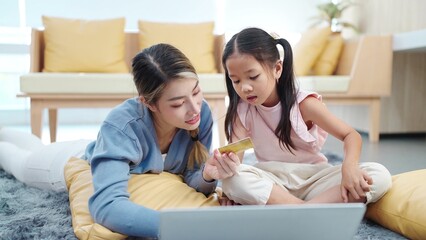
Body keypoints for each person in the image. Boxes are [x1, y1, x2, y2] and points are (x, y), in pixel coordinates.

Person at [0, 43, 240, 238]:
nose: (194, 108)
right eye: (177, 103)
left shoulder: (201, 116)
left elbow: (193, 178)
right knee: (21, 160)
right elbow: (107, 207)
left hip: (108, 147)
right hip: (74, 160)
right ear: (148, 103)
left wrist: (208, 175)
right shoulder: (122, 126)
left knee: (29, 147)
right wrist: (177, 227)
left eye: (196, 92)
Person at [219, 27, 392, 206]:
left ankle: (299, 208)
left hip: (314, 179)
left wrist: (350, 167)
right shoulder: (241, 111)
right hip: (273, 183)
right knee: (232, 180)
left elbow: (351, 135)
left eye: (253, 76)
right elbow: (235, 161)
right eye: (236, 81)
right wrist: (228, 180)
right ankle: (308, 209)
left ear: (277, 69)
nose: (244, 88)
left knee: (378, 175)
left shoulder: (304, 104)